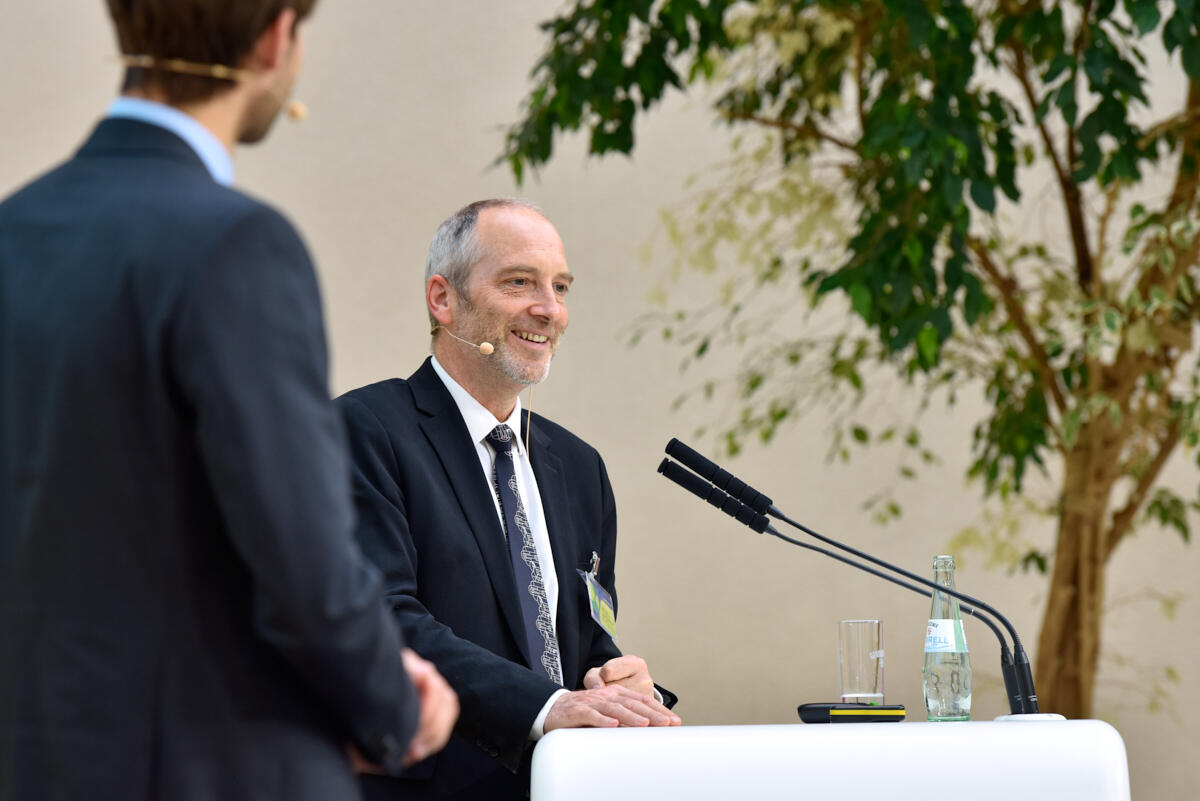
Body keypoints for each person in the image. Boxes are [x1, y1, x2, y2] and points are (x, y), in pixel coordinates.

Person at [0, 2, 457, 800]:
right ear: (277, 37)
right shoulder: (239, 245)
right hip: (211, 766)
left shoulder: (16, 230)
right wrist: (391, 697)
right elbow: (301, 558)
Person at [336, 198, 681, 801]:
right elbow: (381, 620)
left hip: (563, 786)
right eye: (519, 282)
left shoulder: (579, 468)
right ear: (443, 300)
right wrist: (546, 707)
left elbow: (587, 636)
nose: (548, 310)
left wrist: (620, 683)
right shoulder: (364, 430)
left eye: (561, 287)